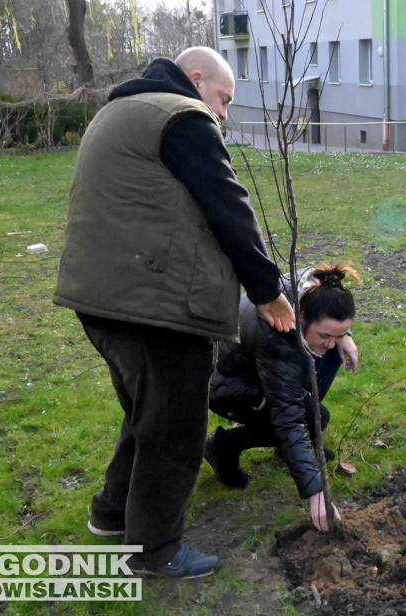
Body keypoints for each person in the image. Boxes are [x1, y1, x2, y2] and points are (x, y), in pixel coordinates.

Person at [53, 47, 296, 579]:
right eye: (224, 99)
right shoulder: (183, 116)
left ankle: (112, 513)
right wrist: (266, 289)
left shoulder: (120, 111)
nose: (224, 113)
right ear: (195, 79)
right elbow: (228, 203)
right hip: (153, 303)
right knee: (176, 429)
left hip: (103, 296)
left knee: (148, 413)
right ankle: (154, 550)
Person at [204, 264, 359, 532]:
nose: (331, 341)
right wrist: (316, 491)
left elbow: (327, 322)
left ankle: (290, 448)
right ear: (301, 316)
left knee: (313, 417)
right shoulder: (277, 337)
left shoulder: (313, 288)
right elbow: (288, 417)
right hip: (226, 383)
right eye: (325, 335)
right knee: (311, 418)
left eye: (339, 333)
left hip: (256, 366)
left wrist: (344, 337)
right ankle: (224, 444)